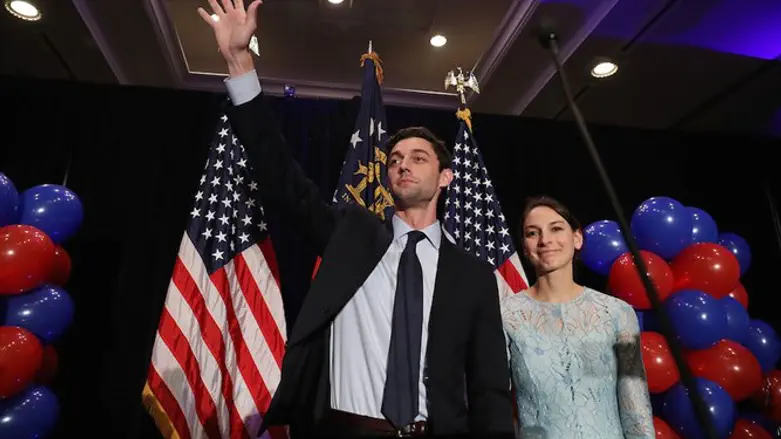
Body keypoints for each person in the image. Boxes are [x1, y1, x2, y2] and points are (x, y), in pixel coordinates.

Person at [196, 1, 514, 437]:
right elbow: (282, 178)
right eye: (396, 159)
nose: (403, 165)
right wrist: (239, 61)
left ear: (445, 177)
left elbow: (489, 389)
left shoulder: (473, 275)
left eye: (418, 158)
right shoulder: (352, 233)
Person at [501, 195, 655, 439]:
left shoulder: (617, 312)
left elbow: (635, 406)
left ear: (577, 238)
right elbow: (491, 403)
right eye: (533, 233)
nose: (545, 240)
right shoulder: (505, 315)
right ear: (525, 246)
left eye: (556, 229)